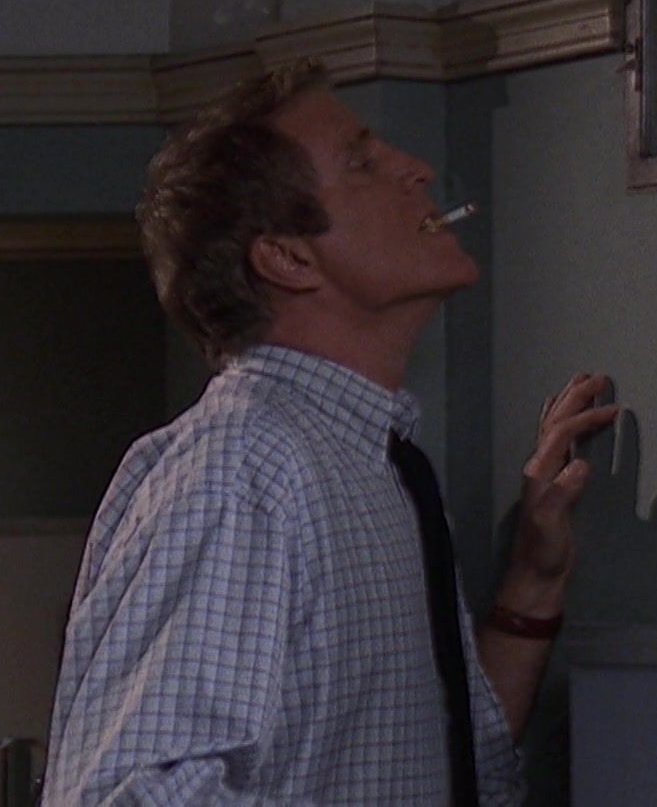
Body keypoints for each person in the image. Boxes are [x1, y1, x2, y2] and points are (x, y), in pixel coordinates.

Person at [41, 63, 617, 804]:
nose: (417, 169)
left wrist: (534, 582)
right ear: (288, 256)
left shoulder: (380, 469)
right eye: (362, 163)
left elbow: (450, 771)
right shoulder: (245, 470)